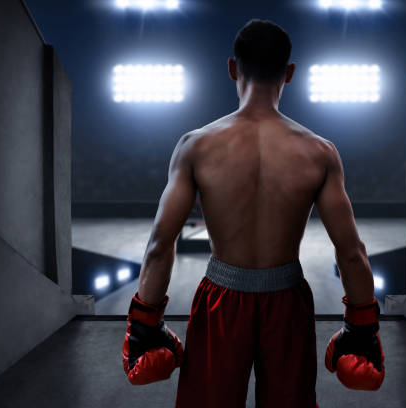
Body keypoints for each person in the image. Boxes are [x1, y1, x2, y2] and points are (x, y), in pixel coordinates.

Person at [121, 19, 385, 408]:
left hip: (220, 299)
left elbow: (161, 245)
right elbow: (351, 252)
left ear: (232, 68)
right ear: (289, 73)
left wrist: (145, 327)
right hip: (288, 301)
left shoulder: (196, 146)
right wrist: (362, 329)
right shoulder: (319, 152)